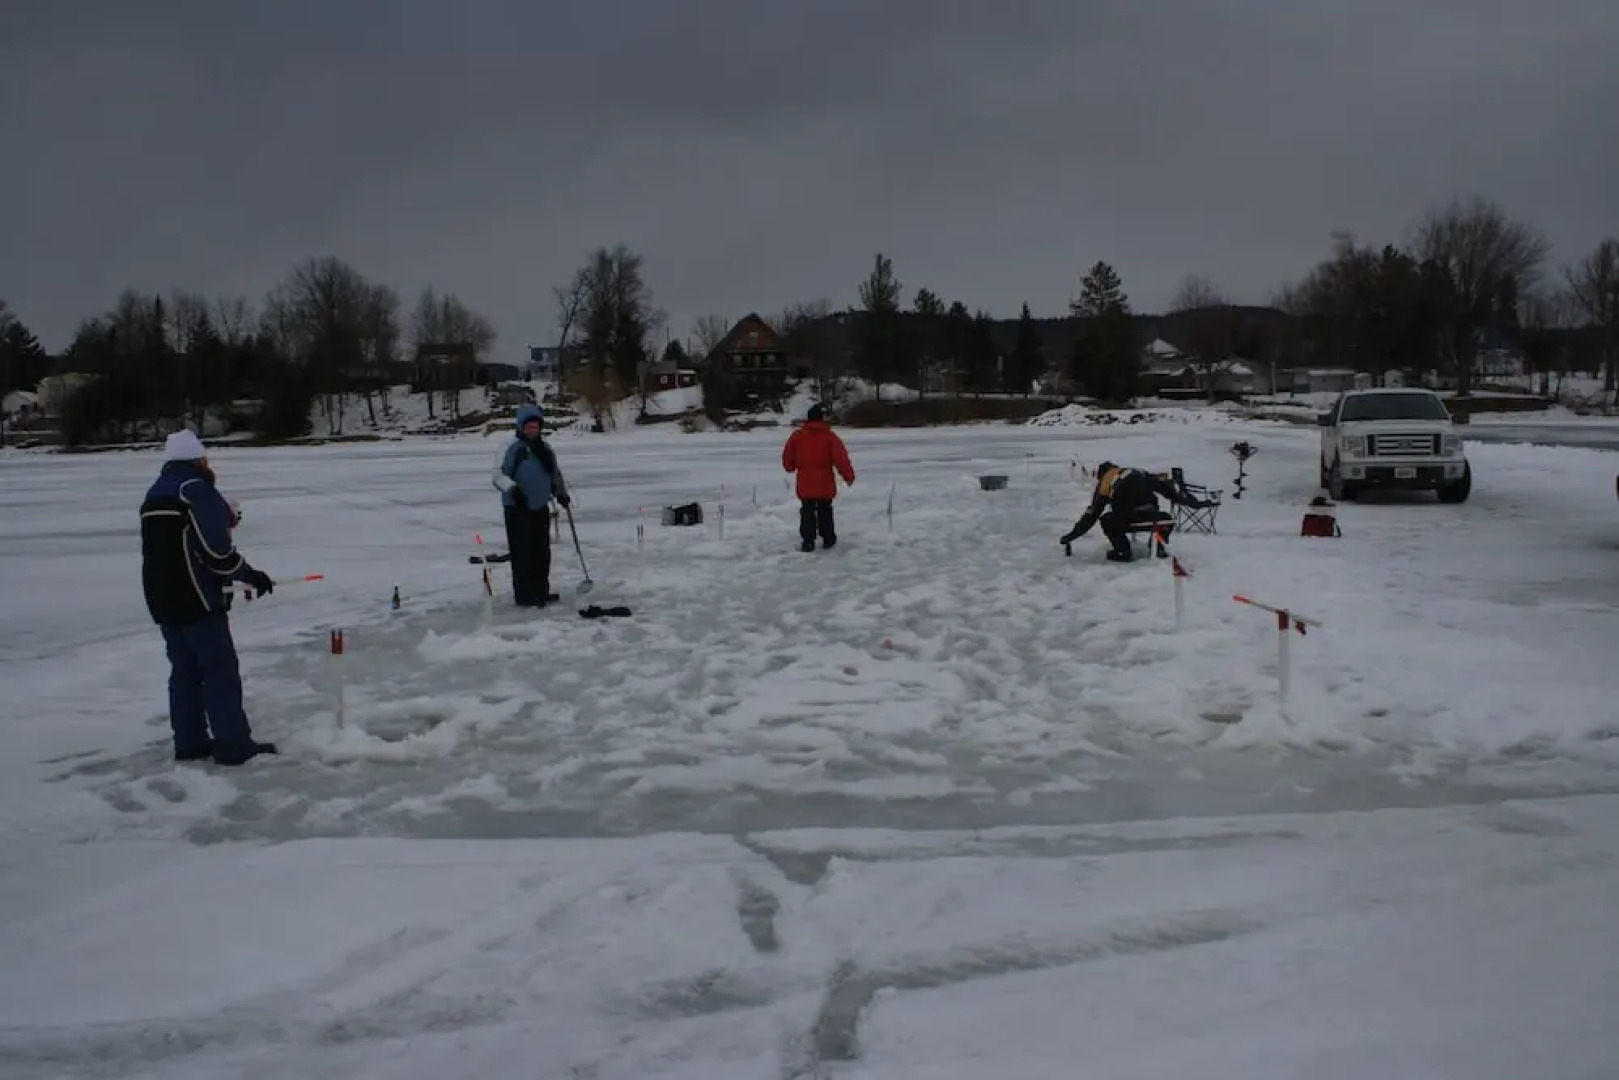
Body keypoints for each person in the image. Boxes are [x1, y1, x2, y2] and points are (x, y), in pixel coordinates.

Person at [139, 430, 278, 765]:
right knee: (219, 670)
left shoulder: (155, 493)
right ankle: (234, 746)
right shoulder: (195, 490)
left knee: (184, 672)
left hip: (161, 598)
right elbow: (217, 551)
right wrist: (250, 575)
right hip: (197, 600)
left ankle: (190, 744)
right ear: (198, 459)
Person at [492, 403, 571, 606]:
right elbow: (498, 475)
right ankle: (525, 595)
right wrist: (513, 489)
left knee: (541, 552)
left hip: (539, 507)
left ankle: (541, 591)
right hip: (517, 509)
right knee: (523, 553)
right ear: (520, 427)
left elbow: (554, 474)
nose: (532, 430)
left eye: (535, 427)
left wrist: (561, 494)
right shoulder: (511, 447)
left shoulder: (545, 449)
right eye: (528, 427)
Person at [1060, 461, 1204, 562]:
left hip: (1128, 517)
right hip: (1152, 514)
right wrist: (1194, 503)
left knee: (1106, 519)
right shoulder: (1137, 472)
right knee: (1166, 518)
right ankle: (1159, 547)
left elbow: (1092, 514)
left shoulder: (1106, 481)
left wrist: (1071, 536)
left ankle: (1122, 551)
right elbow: (1168, 491)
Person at [782, 403, 855, 552]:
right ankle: (828, 538)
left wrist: (790, 467)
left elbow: (787, 457)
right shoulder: (830, 437)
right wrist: (848, 476)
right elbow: (841, 458)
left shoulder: (797, 436)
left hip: (805, 481)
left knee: (807, 510)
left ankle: (808, 541)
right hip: (824, 482)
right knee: (825, 509)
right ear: (822, 419)